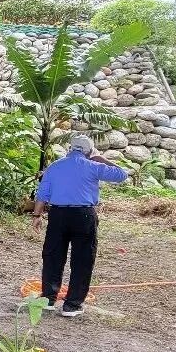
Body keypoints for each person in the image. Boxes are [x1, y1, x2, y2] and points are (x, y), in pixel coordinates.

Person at [31, 133, 129, 317]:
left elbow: (42, 193)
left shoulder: (54, 166)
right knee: (83, 259)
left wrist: (37, 215)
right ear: (89, 151)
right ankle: (72, 305)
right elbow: (122, 175)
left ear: (70, 149)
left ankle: (48, 299)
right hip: (84, 215)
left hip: (58, 214)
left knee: (52, 255)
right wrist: (101, 159)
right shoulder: (93, 166)